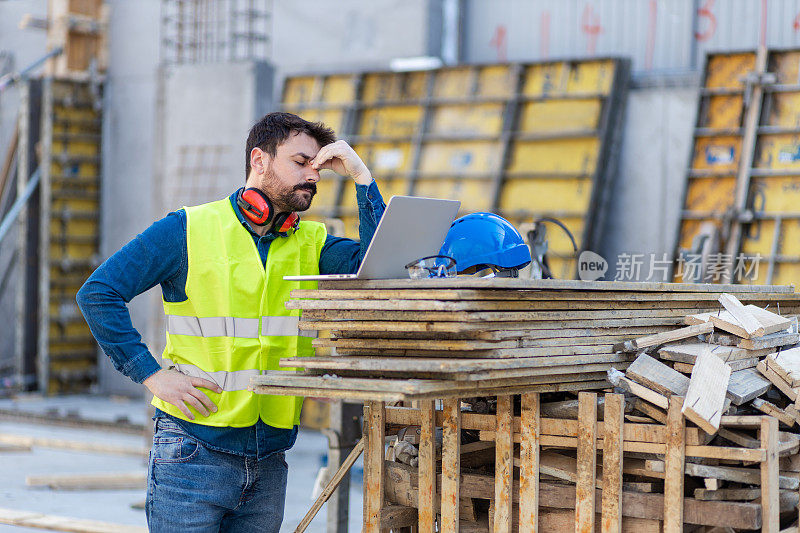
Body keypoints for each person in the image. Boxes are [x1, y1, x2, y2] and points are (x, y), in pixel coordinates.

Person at [76, 112, 386, 531]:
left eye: (318, 166)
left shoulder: (310, 242)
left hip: (270, 462)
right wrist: (151, 375)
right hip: (192, 453)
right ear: (259, 160)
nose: (312, 175)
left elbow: (380, 271)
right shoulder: (187, 229)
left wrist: (362, 178)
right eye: (300, 162)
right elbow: (98, 292)